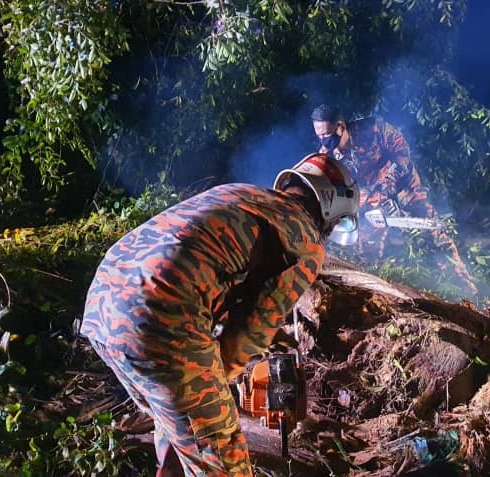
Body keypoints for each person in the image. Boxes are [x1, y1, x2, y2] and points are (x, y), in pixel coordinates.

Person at [79, 153, 359, 477]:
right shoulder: (307, 240)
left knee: (176, 423)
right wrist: (224, 380)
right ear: (332, 206)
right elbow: (252, 331)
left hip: (103, 304)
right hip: (161, 317)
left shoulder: (244, 194)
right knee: (223, 461)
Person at [310, 104, 478, 296]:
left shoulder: (373, 128)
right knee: (367, 250)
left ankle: (466, 288)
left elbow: (403, 151)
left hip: (404, 187)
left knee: (434, 232)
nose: (323, 140)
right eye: (319, 136)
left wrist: (389, 182)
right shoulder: (327, 157)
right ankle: (378, 296)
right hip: (372, 202)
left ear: (340, 126)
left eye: (326, 134)